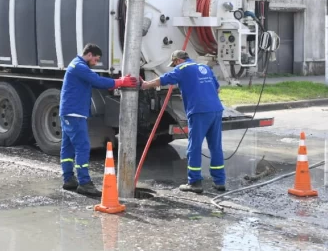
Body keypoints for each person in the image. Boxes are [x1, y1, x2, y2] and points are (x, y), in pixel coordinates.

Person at [141, 50, 226, 194]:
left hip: (199, 110)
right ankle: (220, 182)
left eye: (174, 64)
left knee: (194, 146)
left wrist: (144, 85)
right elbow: (217, 89)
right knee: (215, 146)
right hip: (216, 109)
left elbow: (162, 80)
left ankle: (194, 182)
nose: (174, 66)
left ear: (177, 61)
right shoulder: (204, 67)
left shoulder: (182, 68)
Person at [60, 43, 137, 197]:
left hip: (70, 112)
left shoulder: (77, 66)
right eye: (95, 59)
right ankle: (84, 183)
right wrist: (121, 82)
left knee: (68, 146)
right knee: (82, 146)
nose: (96, 63)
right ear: (89, 55)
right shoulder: (79, 67)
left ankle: (68, 179)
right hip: (74, 113)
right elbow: (98, 81)